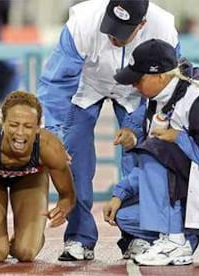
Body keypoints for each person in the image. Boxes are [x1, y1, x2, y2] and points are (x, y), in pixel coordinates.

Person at [37, 0, 179, 261]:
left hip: (137, 90)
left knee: (142, 155)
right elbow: (56, 83)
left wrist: (135, 126)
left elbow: (167, 86)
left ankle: (138, 236)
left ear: (142, 25)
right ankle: (79, 237)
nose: (114, 37)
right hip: (86, 85)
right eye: (111, 29)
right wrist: (54, 133)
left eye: (123, 32)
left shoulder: (164, 28)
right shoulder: (81, 23)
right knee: (73, 156)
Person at [103, 38, 199, 265]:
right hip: (192, 197)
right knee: (126, 216)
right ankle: (178, 236)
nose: (133, 86)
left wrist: (179, 138)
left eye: (138, 79)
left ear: (161, 76)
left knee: (157, 148)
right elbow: (155, 168)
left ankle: (175, 241)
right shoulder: (157, 104)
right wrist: (120, 193)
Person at [0, 91, 76, 267]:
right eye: (14, 125)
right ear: (3, 123)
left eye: (28, 127)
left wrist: (63, 209)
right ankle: (12, 236)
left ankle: (30, 236)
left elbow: (68, 195)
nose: (20, 133)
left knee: (26, 252)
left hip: (30, 180)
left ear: (38, 127)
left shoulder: (50, 146)